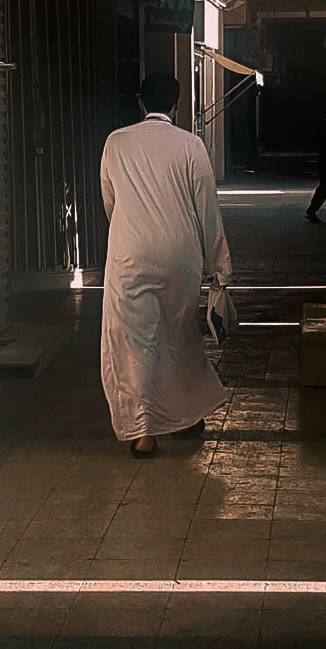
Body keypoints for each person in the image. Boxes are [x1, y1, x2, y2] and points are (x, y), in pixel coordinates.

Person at [99, 71, 232, 459]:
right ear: (177, 105)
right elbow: (207, 208)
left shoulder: (116, 142)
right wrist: (220, 265)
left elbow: (110, 202)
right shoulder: (191, 146)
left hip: (130, 255)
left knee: (136, 343)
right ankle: (186, 418)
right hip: (181, 257)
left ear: (140, 103)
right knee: (179, 335)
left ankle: (144, 434)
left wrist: (131, 232)